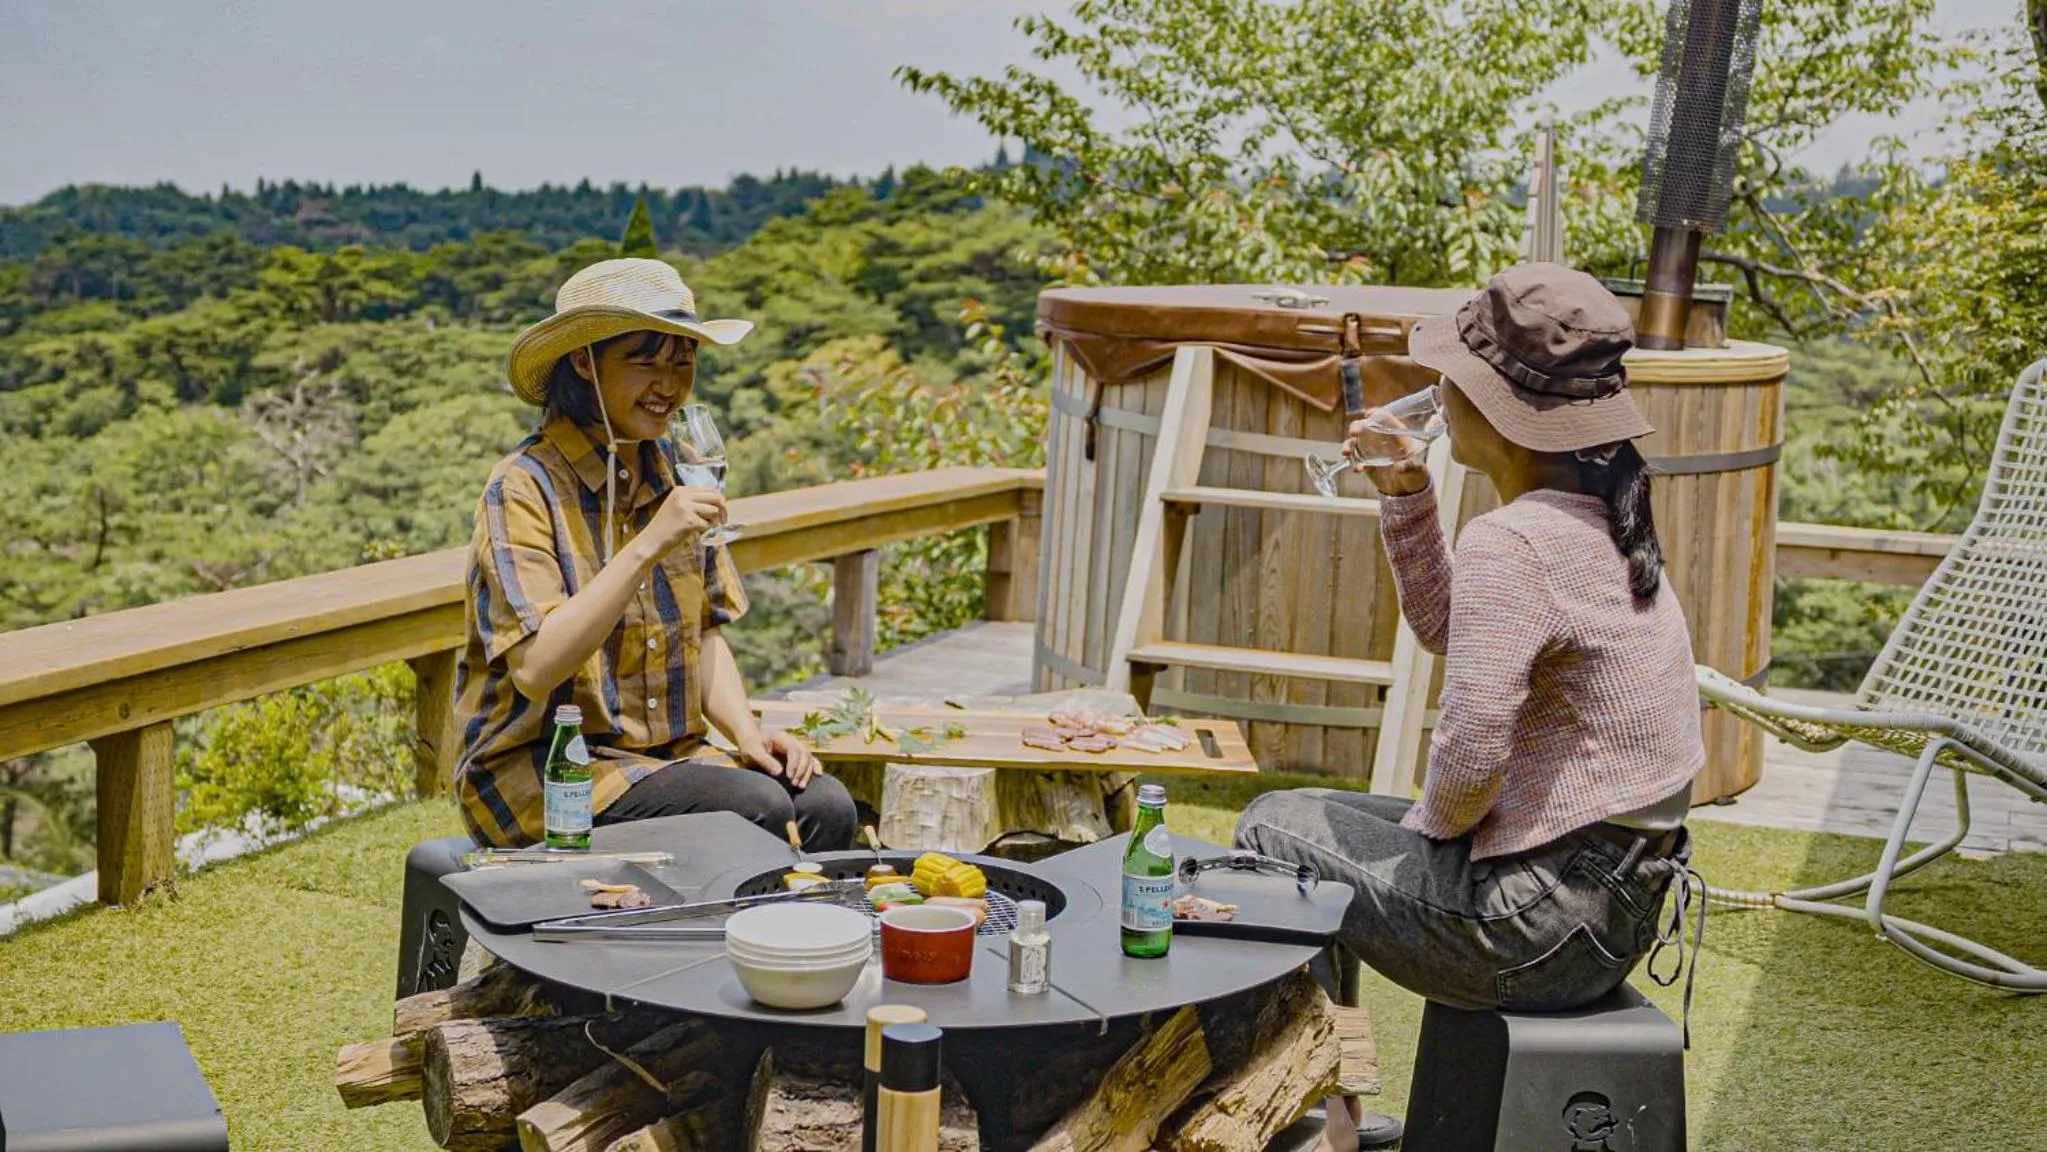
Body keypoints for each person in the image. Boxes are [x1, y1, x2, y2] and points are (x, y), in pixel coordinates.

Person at [1235, 265, 1705, 1150]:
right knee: (1317, 820)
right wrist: (1407, 497)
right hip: (1617, 901)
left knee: (1267, 831)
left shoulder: (1514, 538)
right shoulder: (1601, 518)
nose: (1436, 395)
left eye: (1452, 377)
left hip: (1535, 924)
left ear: (1496, 408)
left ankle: (1305, 1118)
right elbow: (1453, 628)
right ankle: (1329, 1111)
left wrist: (1430, 839)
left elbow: (1474, 744)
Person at [452, 257, 857, 851]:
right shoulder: (523, 487)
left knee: (825, 805)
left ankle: (780, 945)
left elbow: (706, 630)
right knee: (755, 812)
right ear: (584, 361)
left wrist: (748, 734)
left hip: (665, 757)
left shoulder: (673, 472)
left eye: (683, 361)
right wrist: (646, 547)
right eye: (644, 361)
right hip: (542, 771)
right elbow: (537, 670)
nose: (667, 384)